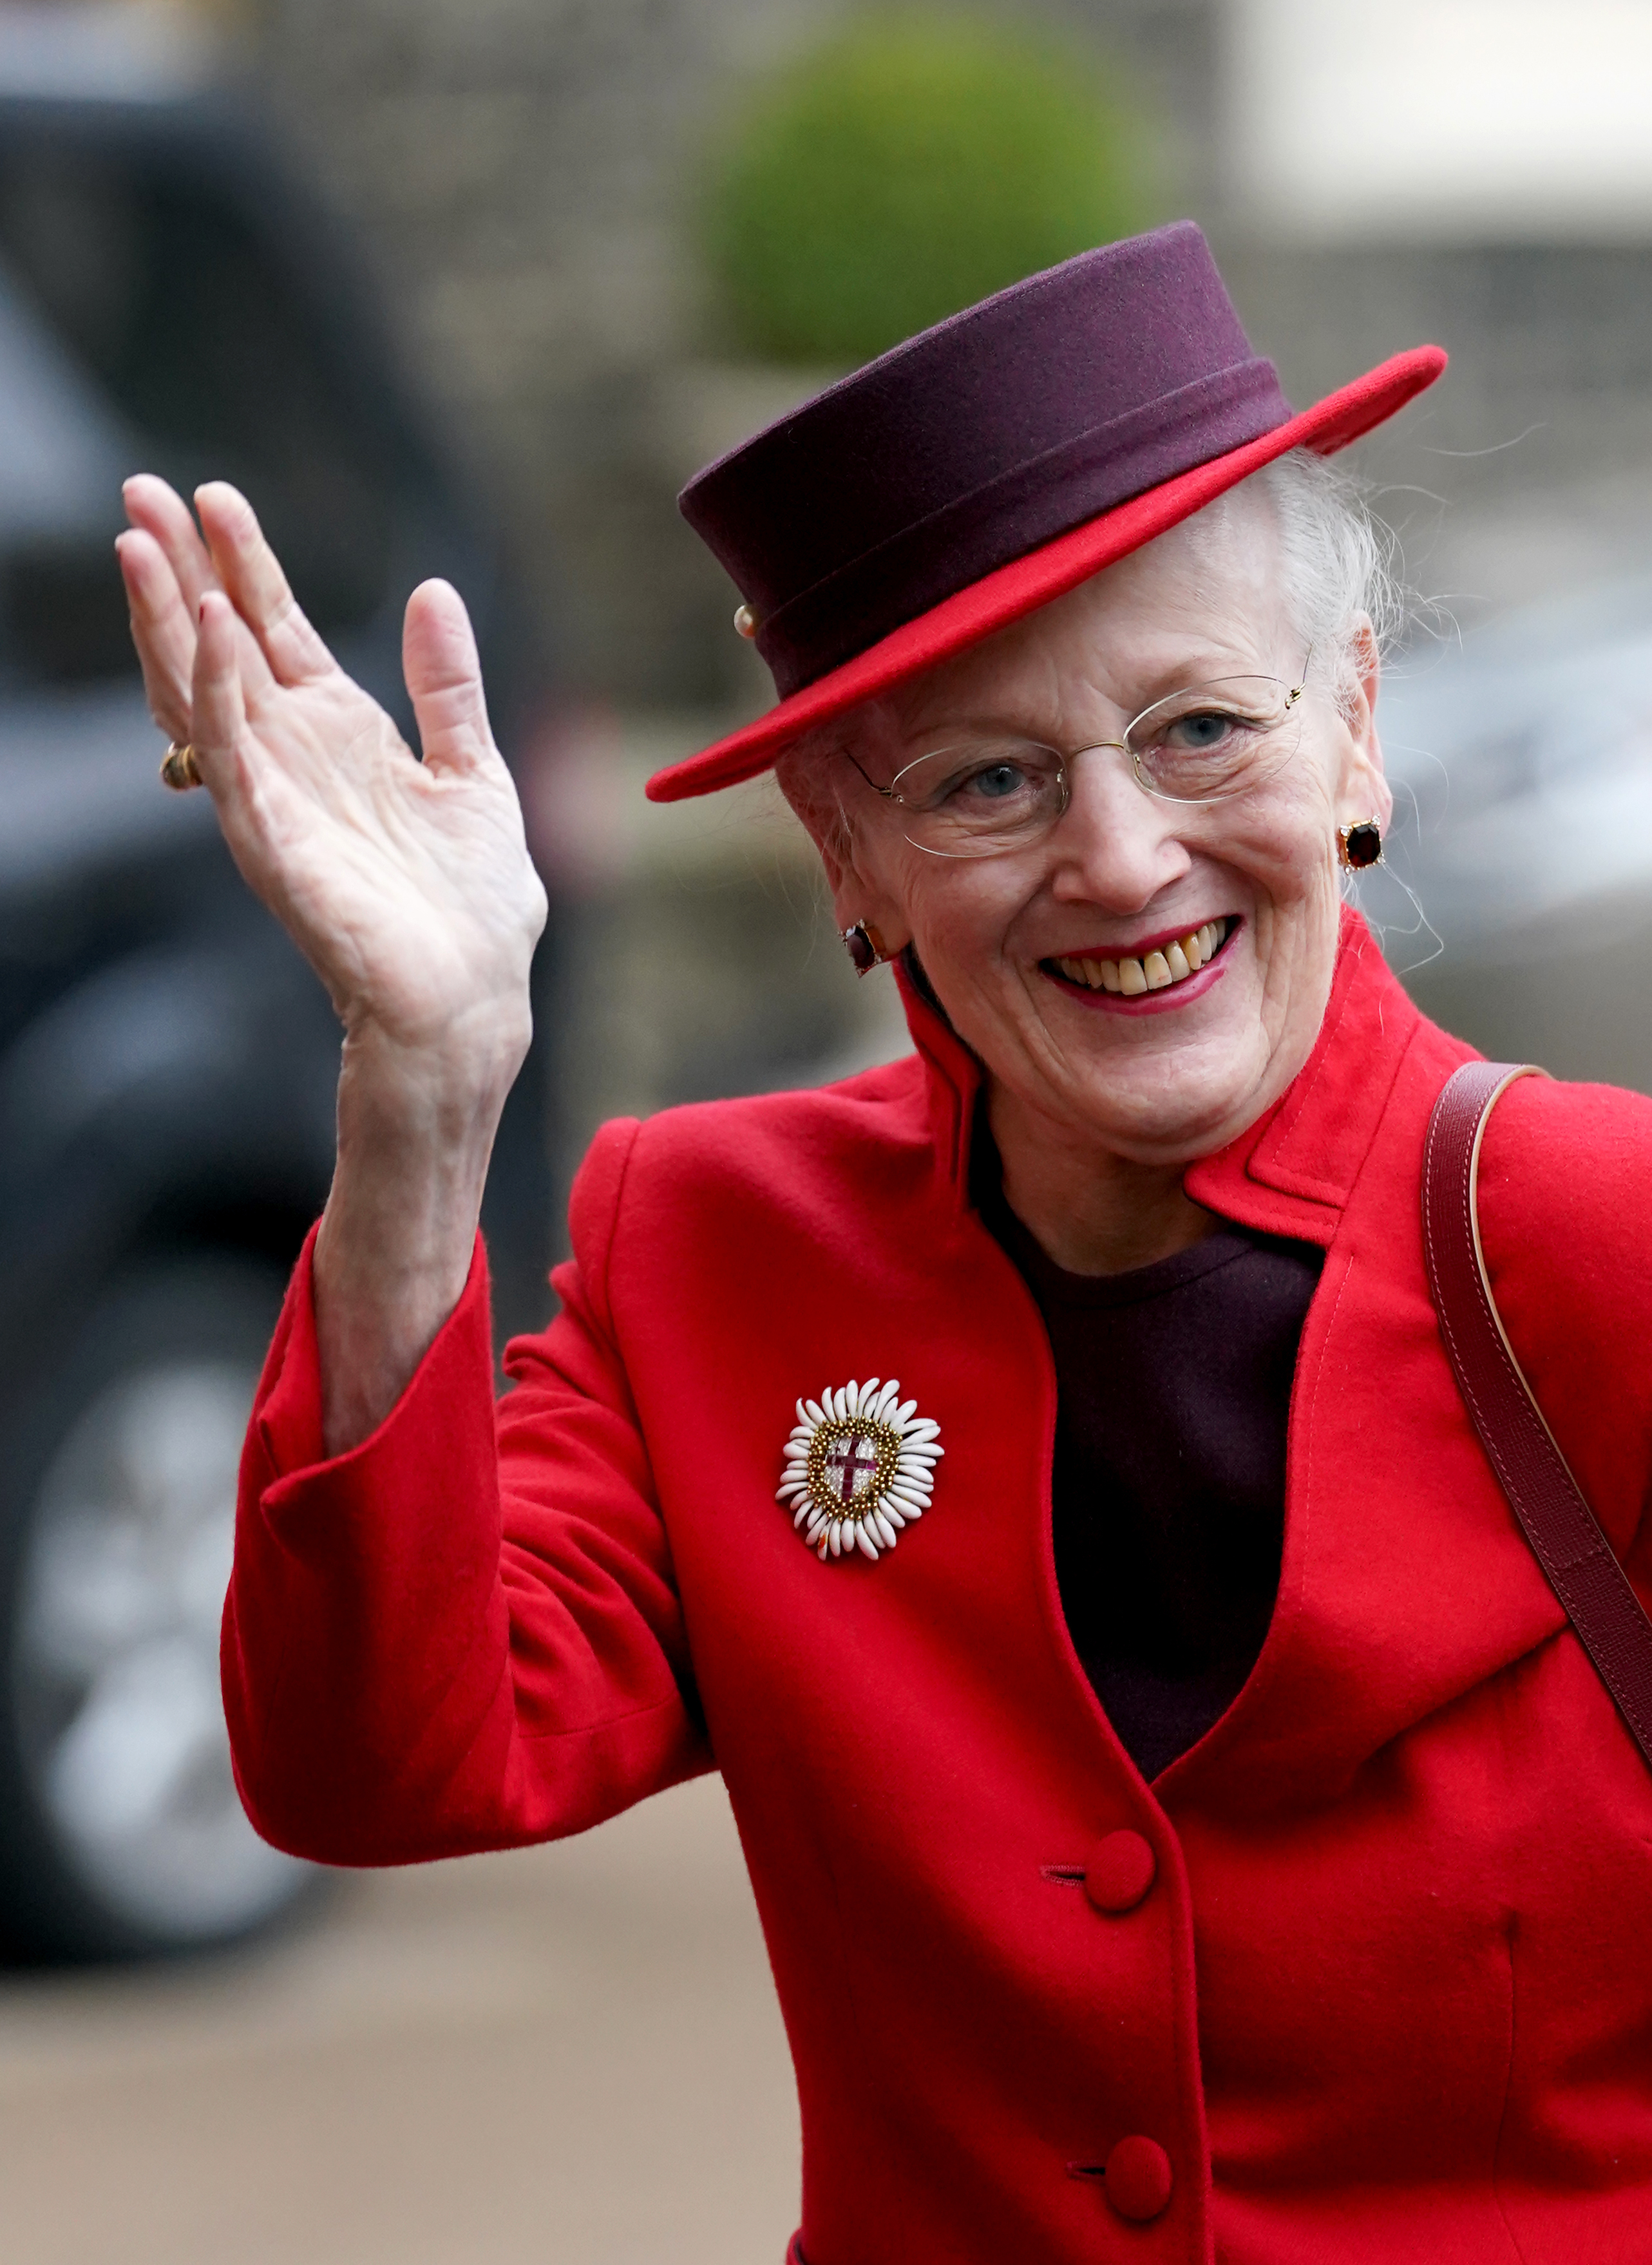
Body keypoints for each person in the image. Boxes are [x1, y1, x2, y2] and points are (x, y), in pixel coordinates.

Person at [118, 223, 1651, 2261]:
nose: (1120, 859)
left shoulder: (1602, 1238)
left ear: (1352, 731)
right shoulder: (714, 1251)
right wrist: (430, 1076)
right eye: (989, 781)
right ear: (847, 854)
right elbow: (380, 1770)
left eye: (1202, 728)